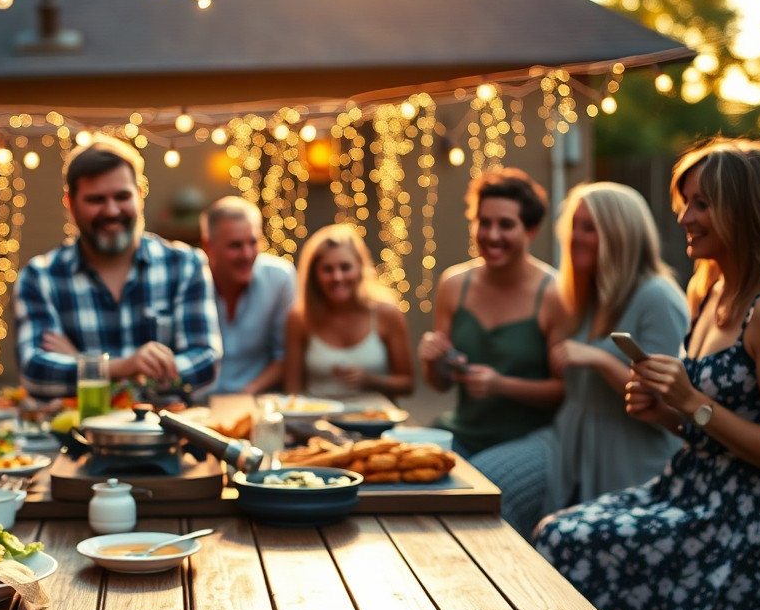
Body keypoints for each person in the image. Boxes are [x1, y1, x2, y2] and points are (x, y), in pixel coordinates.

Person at [533, 138, 760, 610]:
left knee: (569, 542)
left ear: (746, 210)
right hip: (689, 494)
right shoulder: (715, 291)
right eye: (685, 201)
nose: (683, 216)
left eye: (701, 203)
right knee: (559, 530)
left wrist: (692, 403)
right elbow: (705, 431)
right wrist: (662, 412)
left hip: (750, 529)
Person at [467, 183, 688, 535]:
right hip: (566, 440)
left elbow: (663, 400)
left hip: (629, 452)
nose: (575, 238)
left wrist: (598, 359)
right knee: (484, 482)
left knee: (567, 540)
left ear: (621, 235)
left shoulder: (657, 297)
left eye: (590, 228)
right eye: (573, 227)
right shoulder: (585, 293)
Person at [15, 134, 221, 396]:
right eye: (96, 200)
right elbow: (35, 373)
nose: (111, 211)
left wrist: (84, 364)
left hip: (166, 434)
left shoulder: (186, 265)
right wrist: (123, 367)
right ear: (70, 204)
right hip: (76, 435)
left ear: (140, 195)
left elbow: (205, 364)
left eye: (122, 196)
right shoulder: (40, 277)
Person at [417, 168, 567, 456]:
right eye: (483, 223)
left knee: (475, 490)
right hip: (461, 432)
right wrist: (433, 360)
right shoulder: (453, 284)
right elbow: (440, 384)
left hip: (531, 441)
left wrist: (501, 385)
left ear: (531, 230)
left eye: (506, 225)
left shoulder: (554, 293)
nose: (492, 235)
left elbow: (565, 392)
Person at [284, 223, 414, 400]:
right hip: (320, 421)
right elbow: (293, 391)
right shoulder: (300, 317)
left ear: (360, 267)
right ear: (314, 275)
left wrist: (371, 380)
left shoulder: (387, 313)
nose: (337, 277)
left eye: (345, 267)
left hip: (375, 420)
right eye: (327, 269)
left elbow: (408, 384)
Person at [201, 197, 296, 395]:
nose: (247, 254)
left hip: (257, 402)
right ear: (208, 246)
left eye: (253, 242)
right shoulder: (189, 279)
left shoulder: (280, 277)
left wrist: (245, 394)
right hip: (197, 404)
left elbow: (285, 356)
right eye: (235, 245)